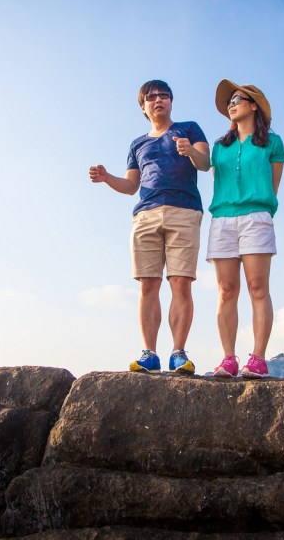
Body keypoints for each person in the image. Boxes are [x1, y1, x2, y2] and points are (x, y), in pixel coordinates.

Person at [89, 80, 210, 375]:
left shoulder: (189, 129)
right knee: (147, 285)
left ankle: (179, 353)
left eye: (164, 95)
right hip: (145, 214)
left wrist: (190, 152)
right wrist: (107, 178)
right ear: (143, 107)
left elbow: (205, 163)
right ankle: (149, 354)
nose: (158, 100)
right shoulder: (137, 144)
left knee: (180, 282)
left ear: (171, 102)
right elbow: (131, 185)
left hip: (184, 210)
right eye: (151, 97)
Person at [207, 80, 284, 379]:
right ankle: (228, 359)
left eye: (237, 99)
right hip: (222, 219)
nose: (231, 103)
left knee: (257, 287)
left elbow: (274, 185)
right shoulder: (220, 147)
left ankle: (258, 358)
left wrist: (264, 208)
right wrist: (189, 151)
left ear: (253, 105)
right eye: (229, 101)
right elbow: (205, 166)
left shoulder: (272, 143)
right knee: (226, 290)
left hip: (256, 215)